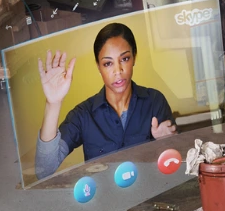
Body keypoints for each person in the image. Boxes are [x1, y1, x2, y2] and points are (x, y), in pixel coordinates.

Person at [34, 23, 177, 179]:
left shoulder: (154, 101)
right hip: (102, 201)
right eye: (108, 63)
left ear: (134, 57)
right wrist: (53, 103)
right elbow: (44, 170)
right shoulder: (83, 115)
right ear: (98, 66)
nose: (118, 71)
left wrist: (167, 143)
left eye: (125, 59)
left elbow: (174, 165)